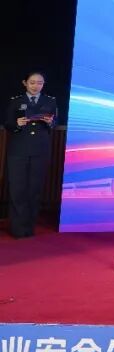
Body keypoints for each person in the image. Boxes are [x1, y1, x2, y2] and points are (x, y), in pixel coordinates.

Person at [3, 71, 58, 238]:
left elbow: (55, 123)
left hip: (40, 150)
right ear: (25, 83)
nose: (36, 86)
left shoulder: (50, 101)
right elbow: (7, 124)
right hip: (18, 151)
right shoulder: (16, 101)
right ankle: (18, 229)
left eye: (40, 83)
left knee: (34, 189)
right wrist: (16, 124)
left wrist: (51, 122)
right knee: (17, 189)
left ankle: (29, 227)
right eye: (32, 82)